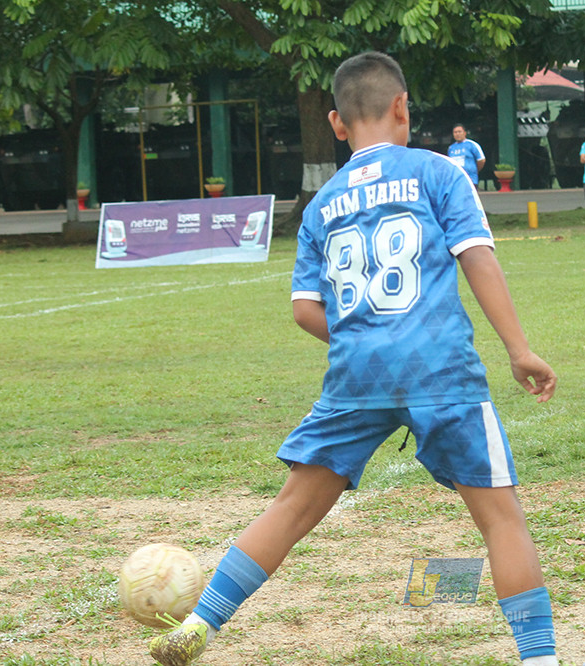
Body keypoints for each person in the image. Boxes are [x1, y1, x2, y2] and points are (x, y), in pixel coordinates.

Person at [147, 51, 560, 666]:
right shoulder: (439, 172)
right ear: (402, 108)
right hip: (439, 370)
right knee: (502, 521)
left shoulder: (322, 203)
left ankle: (199, 623)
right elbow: (477, 257)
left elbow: (304, 310)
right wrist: (519, 349)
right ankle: (541, 659)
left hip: (355, 376)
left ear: (338, 125)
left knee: (292, 506)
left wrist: (364, 338)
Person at [447, 122, 486, 187]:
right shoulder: (451, 148)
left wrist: (474, 170)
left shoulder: (472, 145)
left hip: (470, 180)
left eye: (459, 132)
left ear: (465, 133)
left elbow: (481, 160)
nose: (457, 134)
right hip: (456, 181)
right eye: (455, 132)